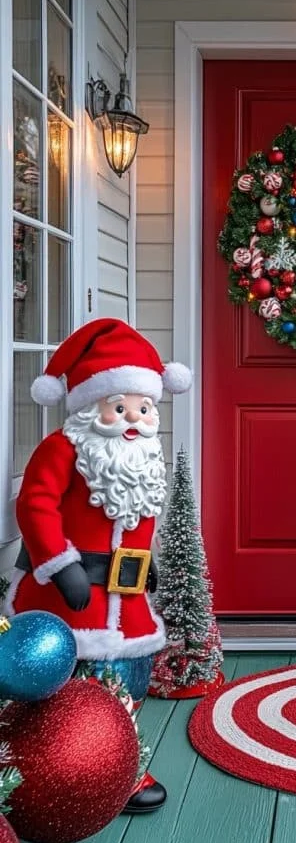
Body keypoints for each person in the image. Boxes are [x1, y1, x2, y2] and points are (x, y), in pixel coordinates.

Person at [3, 318, 192, 812]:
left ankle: (120, 766)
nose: (133, 417)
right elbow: (35, 505)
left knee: (127, 683)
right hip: (69, 599)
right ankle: (40, 769)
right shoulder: (64, 448)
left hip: (127, 603)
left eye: (143, 407)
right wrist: (60, 564)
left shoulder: (145, 453)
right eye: (120, 406)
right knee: (70, 688)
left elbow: (137, 521)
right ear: (93, 405)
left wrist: (144, 569)